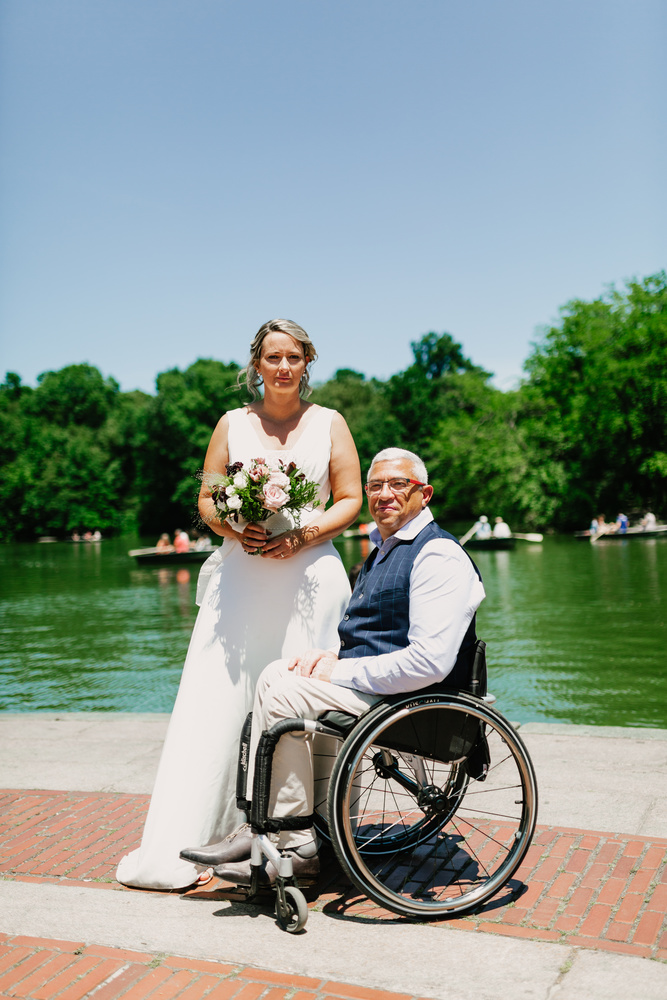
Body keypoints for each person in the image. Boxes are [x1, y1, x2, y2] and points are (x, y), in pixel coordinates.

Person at [116, 319, 361, 890]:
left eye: (293, 357)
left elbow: (350, 499)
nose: (282, 367)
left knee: (301, 703)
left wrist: (302, 534)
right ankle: (206, 831)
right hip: (241, 584)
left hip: (310, 582)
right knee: (219, 703)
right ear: (256, 365)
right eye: (272, 357)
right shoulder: (231, 423)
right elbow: (205, 496)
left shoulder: (331, 423)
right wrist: (234, 522)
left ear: (307, 363)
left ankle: (307, 833)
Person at [180, 447, 485, 884]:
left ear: (425, 494)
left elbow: (429, 663)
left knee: (285, 693)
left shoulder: (438, 556)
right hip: (386, 690)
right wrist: (333, 657)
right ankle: (278, 826)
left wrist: (337, 672)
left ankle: (294, 844)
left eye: (399, 484)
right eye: (375, 485)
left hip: (420, 703)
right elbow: (385, 634)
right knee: (278, 673)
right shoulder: (386, 549)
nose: (385, 494)